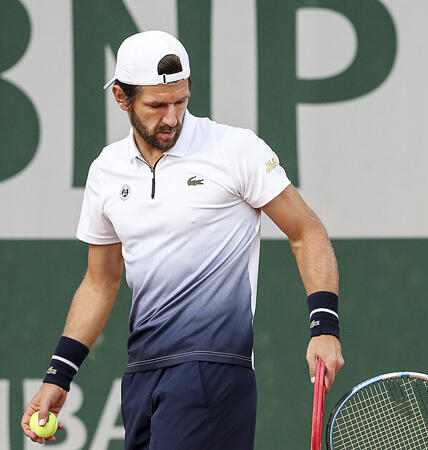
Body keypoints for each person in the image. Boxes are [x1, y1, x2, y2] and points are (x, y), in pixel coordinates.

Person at [20, 31, 344, 449]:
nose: (172, 117)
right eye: (157, 105)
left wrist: (325, 327)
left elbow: (307, 231)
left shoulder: (234, 149)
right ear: (122, 97)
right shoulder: (106, 170)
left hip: (213, 370)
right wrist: (58, 377)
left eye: (181, 101)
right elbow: (100, 283)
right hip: (142, 374)